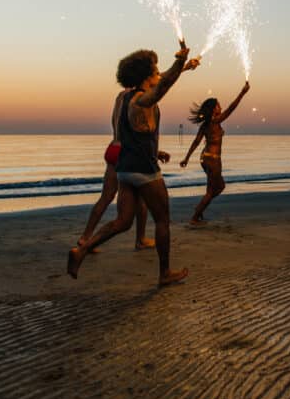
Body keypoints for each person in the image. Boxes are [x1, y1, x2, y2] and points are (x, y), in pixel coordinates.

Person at [68, 40, 199, 286]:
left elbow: (161, 84)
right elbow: (163, 86)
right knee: (162, 220)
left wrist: (183, 67)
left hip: (125, 168)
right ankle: (164, 273)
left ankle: (82, 250)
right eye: (154, 68)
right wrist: (180, 61)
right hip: (143, 169)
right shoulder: (142, 100)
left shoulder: (125, 96)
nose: (158, 72)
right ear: (145, 75)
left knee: (122, 222)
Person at [73, 89, 153, 254]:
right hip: (127, 150)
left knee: (106, 197)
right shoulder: (137, 97)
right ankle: (141, 239)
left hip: (114, 146)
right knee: (141, 199)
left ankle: (85, 238)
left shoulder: (121, 96)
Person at [179, 81, 251, 226]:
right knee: (214, 190)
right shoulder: (215, 121)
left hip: (206, 159)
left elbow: (196, 142)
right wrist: (242, 93)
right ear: (213, 109)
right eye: (218, 105)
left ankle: (200, 209)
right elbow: (231, 108)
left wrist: (186, 158)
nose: (221, 107)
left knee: (216, 187)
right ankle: (195, 216)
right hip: (213, 160)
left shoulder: (206, 125)